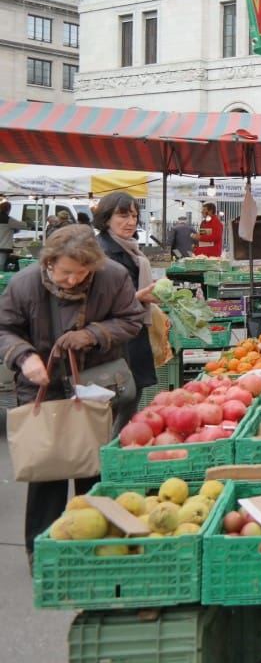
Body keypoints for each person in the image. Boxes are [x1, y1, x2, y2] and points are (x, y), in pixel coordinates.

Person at [0, 225, 143, 566]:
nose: (73, 281)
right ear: (49, 263)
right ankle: (42, 550)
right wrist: (24, 355)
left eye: (82, 274)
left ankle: (95, 545)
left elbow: (132, 319)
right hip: (41, 385)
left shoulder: (113, 277)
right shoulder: (24, 284)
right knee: (46, 467)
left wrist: (94, 334)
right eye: (66, 273)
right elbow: (4, 329)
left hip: (94, 382)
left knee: (90, 462)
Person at [93, 191, 162, 430]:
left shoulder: (133, 250)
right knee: (114, 402)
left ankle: (117, 452)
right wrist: (141, 296)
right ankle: (104, 458)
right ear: (106, 218)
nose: (130, 221)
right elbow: (98, 303)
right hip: (113, 340)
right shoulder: (101, 252)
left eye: (134, 215)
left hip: (134, 335)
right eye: (123, 215)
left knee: (131, 398)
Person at [0, 200, 27, 271]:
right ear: (9, 209)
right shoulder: (8, 219)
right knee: (1, 265)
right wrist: (25, 222)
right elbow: (23, 225)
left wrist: (12, 230)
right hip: (3, 247)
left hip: (2, 246)